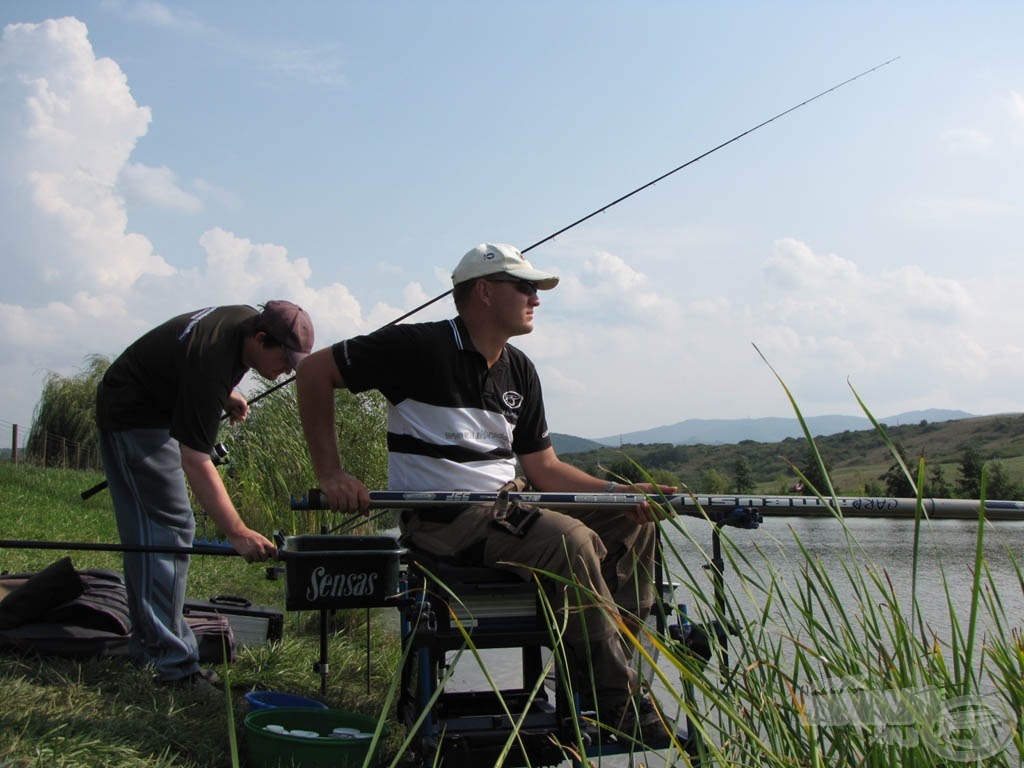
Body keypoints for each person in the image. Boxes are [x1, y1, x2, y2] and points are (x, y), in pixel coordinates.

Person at [296, 244, 679, 747]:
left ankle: (601, 672)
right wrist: (331, 474)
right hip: (443, 520)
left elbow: (545, 469)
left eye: (536, 289)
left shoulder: (520, 369)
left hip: (510, 506)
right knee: (573, 541)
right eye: (525, 287)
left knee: (635, 520)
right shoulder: (416, 347)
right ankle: (620, 705)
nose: (536, 299)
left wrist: (621, 493)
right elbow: (312, 372)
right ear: (484, 291)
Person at [96, 301, 314, 688]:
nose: (286, 370)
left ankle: (154, 649)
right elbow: (195, 459)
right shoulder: (211, 361)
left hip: (153, 407)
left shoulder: (242, 321)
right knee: (167, 529)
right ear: (261, 338)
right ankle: (170, 666)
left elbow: (185, 360)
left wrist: (225, 393)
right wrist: (237, 531)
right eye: (284, 359)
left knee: (160, 531)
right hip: (133, 415)